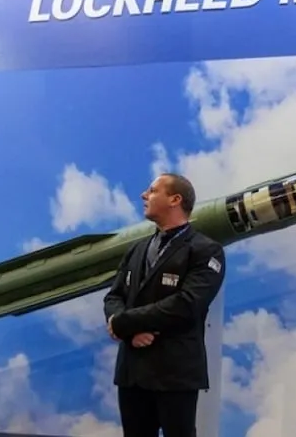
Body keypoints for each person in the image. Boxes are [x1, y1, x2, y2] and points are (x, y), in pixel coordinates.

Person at [103, 172, 226, 437]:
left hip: (175, 375)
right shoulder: (136, 250)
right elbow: (114, 297)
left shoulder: (206, 250)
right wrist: (128, 330)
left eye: (152, 190)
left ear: (175, 199)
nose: (143, 195)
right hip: (133, 374)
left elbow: (187, 304)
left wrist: (125, 323)